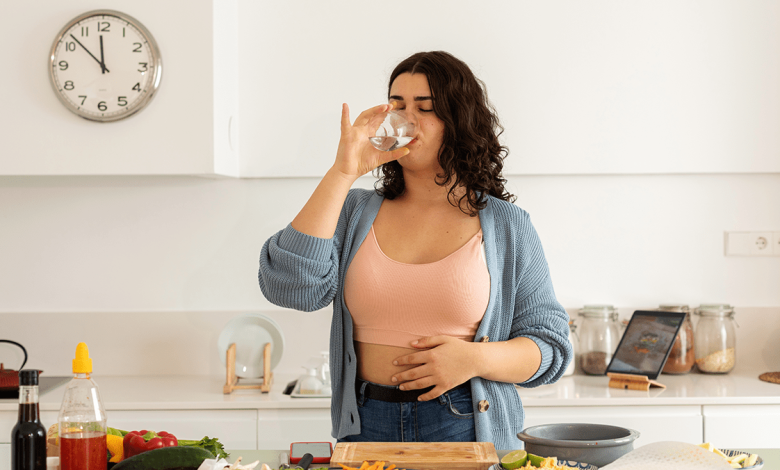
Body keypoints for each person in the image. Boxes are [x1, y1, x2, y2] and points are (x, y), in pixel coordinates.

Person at [258, 51, 572, 450]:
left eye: (424, 108)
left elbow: (551, 347)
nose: (405, 119)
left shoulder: (507, 225)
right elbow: (290, 288)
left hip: (465, 423)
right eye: (397, 106)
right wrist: (342, 173)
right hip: (366, 423)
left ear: (457, 121)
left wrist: (474, 360)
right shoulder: (355, 211)